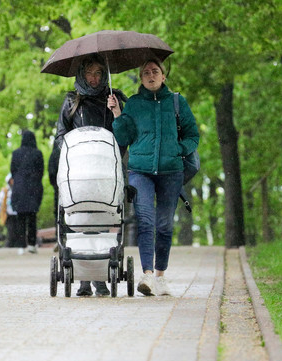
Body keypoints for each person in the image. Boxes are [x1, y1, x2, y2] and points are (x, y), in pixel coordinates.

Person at [109, 59, 199, 296]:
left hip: (171, 172)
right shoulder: (135, 104)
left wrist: (178, 150)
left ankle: (160, 276)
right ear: (141, 78)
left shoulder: (178, 102)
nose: (151, 75)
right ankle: (147, 275)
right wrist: (118, 114)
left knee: (165, 225)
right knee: (146, 221)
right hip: (140, 171)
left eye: (155, 71)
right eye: (146, 72)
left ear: (163, 76)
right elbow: (123, 138)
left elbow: (193, 135)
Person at [48, 54, 127, 297]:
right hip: (80, 169)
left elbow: (123, 137)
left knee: (101, 221)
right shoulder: (72, 101)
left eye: (99, 74)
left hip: (104, 169)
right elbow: (62, 135)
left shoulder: (113, 99)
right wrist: (78, 147)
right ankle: (83, 278)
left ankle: (100, 277)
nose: (94, 79)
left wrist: (116, 112)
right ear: (82, 74)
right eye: (90, 73)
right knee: (80, 221)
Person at [11, 130, 44, 255]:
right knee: (32, 217)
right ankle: (31, 244)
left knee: (20, 218)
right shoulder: (37, 153)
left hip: (19, 188)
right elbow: (41, 171)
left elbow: (13, 171)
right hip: (33, 187)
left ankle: (21, 245)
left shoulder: (16, 154)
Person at [0, 174, 22, 248]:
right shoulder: (5, 191)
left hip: (19, 215)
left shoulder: (20, 189)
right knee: (11, 234)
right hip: (9, 216)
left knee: (20, 234)